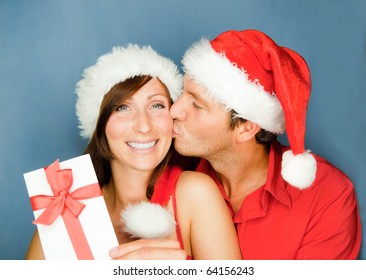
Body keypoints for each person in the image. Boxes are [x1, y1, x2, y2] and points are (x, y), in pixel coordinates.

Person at [112, 29, 362, 259]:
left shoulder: (326, 196)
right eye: (182, 93)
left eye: (197, 104)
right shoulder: (165, 169)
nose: (174, 110)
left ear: (246, 127)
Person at [25, 44, 241, 260]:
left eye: (156, 105)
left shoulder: (195, 194)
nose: (144, 126)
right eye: (122, 108)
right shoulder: (66, 201)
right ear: (100, 125)